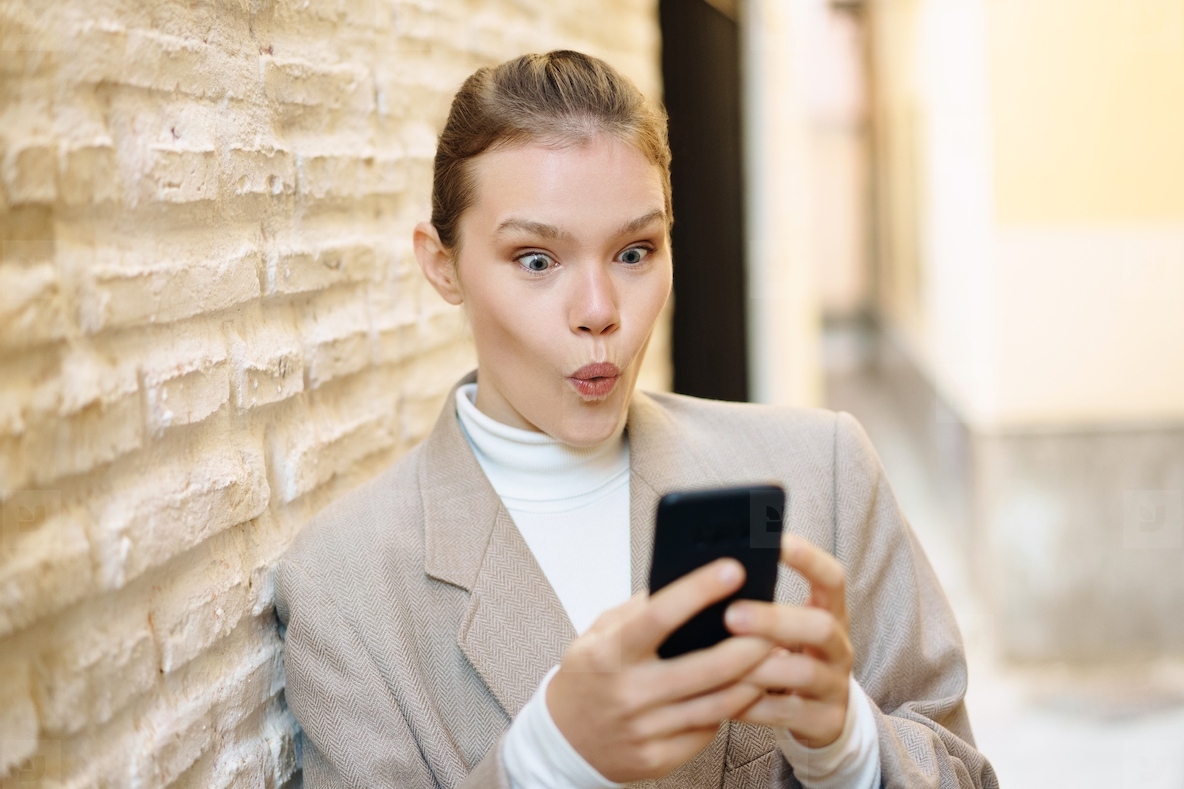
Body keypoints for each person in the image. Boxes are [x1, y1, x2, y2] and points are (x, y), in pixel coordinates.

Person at [274, 50, 998, 789]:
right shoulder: (345, 587)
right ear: (442, 265)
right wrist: (542, 762)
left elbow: (965, 770)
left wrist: (850, 746)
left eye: (634, 251)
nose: (599, 312)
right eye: (535, 259)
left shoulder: (826, 472)